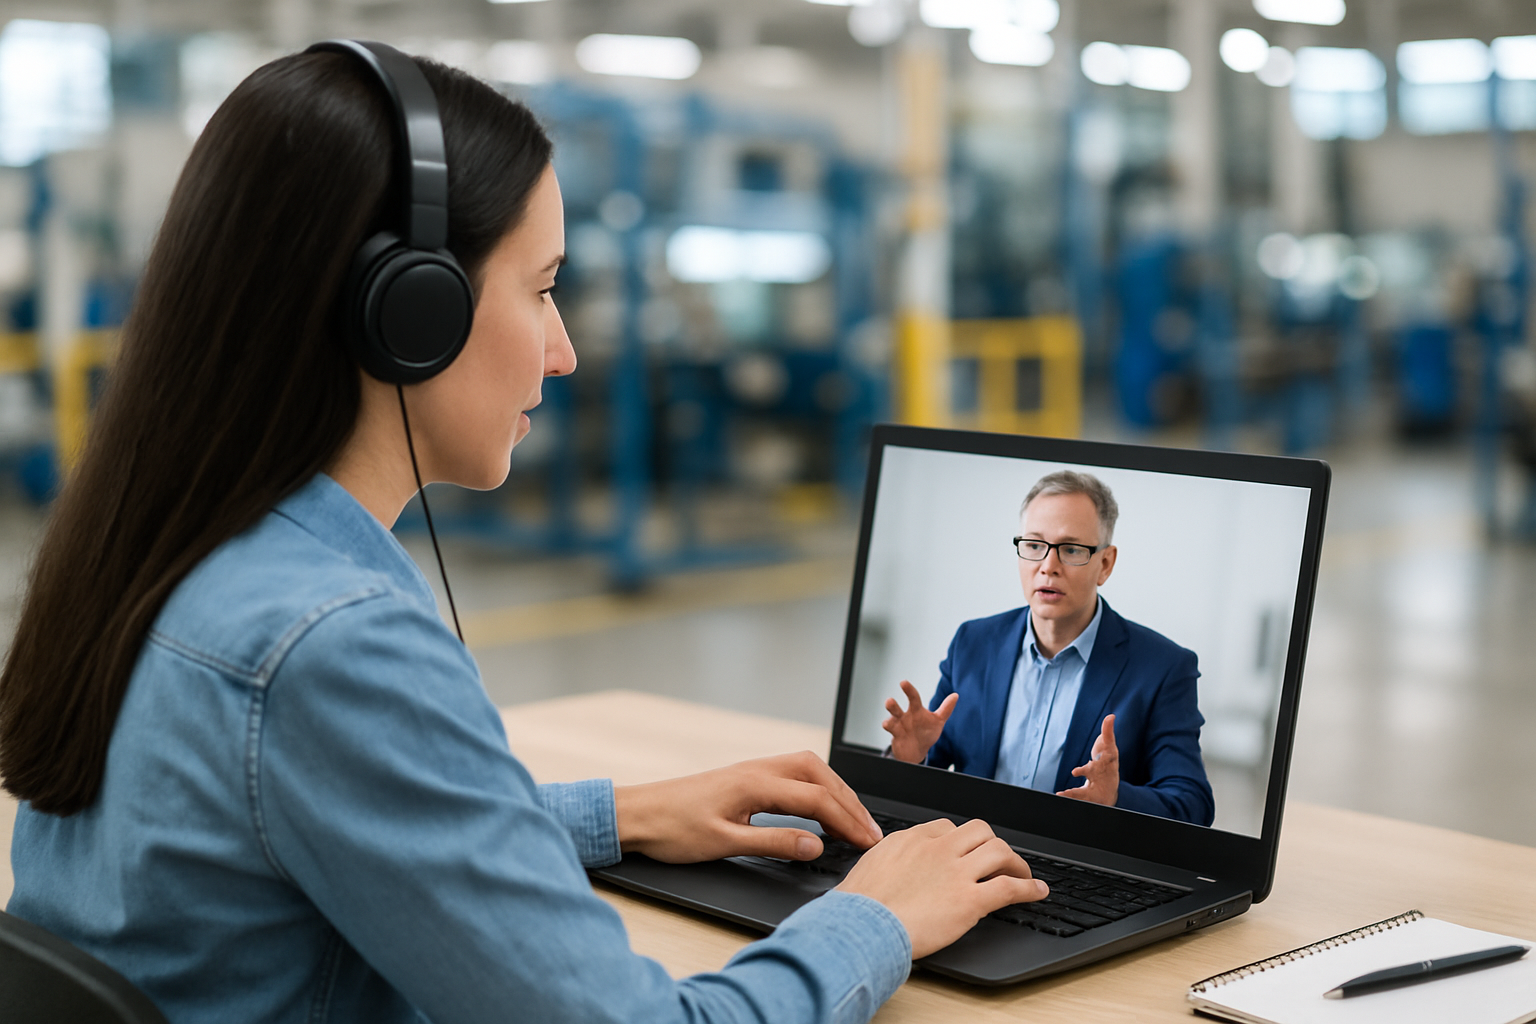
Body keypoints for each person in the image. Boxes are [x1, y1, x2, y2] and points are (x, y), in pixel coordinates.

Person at [0, 48, 1048, 1024]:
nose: (564, 353)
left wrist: (620, 813)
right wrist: (880, 913)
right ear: (410, 313)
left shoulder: (176, 551)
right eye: (543, 290)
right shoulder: (331, 643)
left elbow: (306, 823)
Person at [882, 471, 1215, 826]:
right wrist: (910, 759)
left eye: (1071, 549)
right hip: (968, 857)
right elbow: (933, 767)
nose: (1048, 567)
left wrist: (1115, 798)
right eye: (1035, 545)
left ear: (1105, 564)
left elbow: (1192, 805)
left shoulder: (1163, 668)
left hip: (1079, 864)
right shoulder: (973, 643)